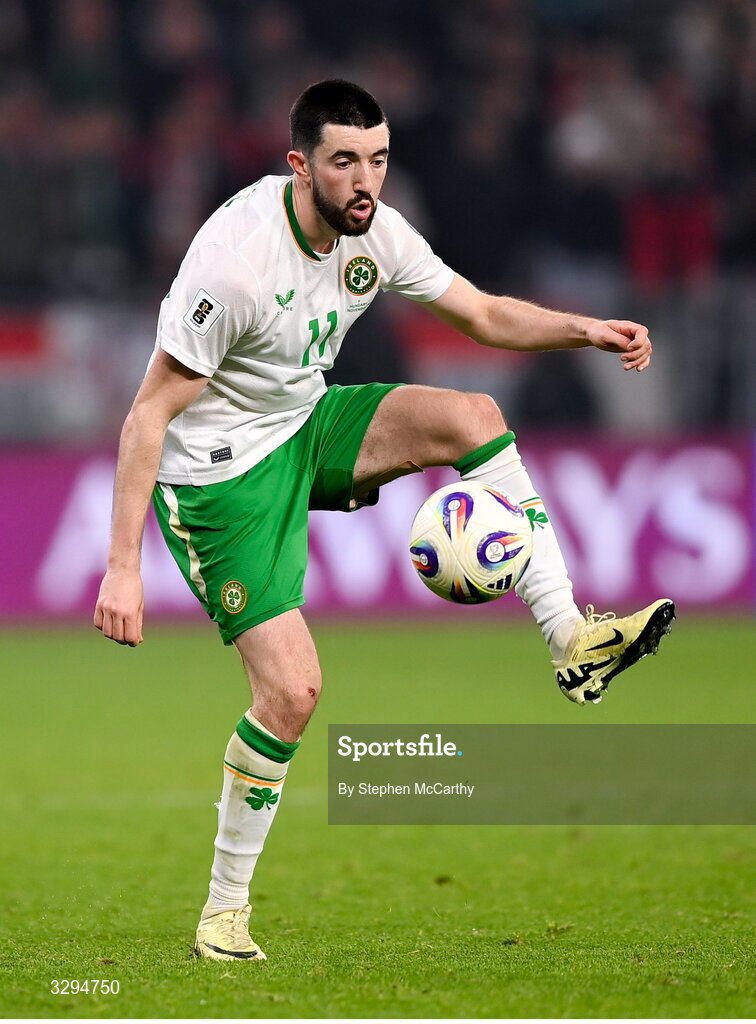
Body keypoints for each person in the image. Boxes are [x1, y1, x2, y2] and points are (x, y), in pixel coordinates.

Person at [94, 79, 675, 962]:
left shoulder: (377, 231)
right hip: (220, 479)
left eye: (378, 159)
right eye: (344, 163)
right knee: (291, 694)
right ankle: (223, 912)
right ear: (300, 165)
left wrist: (584, 329)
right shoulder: (235, 260)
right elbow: (147, 415)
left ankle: (570, 637)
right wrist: (123, 568)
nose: (366, 181)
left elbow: (480, 313)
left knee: (473, 415)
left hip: (304, 421)